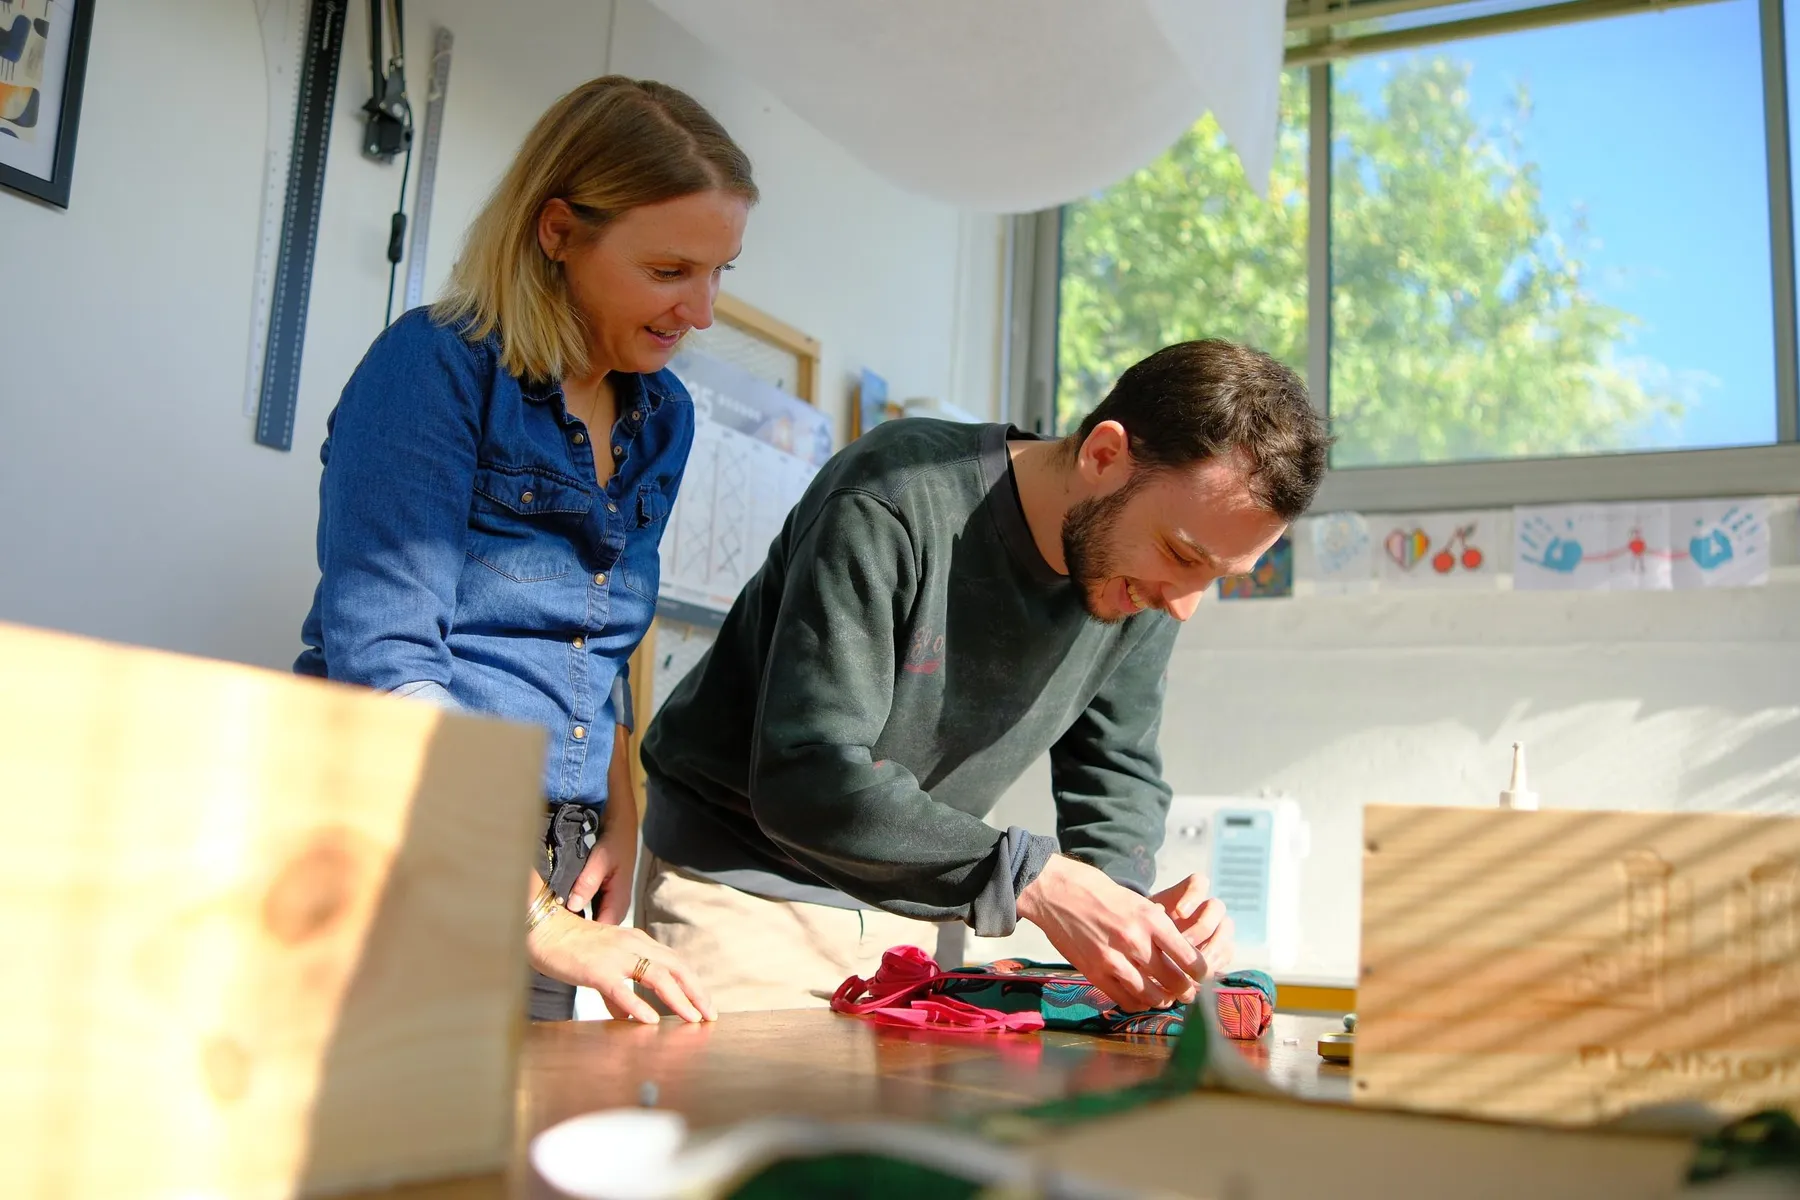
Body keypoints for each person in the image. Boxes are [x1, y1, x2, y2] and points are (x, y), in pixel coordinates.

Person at [636, 341, 1331, 1012]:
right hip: (745, 899)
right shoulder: (896, 496)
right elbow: (806, 776)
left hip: (918, 921)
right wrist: (1034, 877)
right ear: (1104, 455)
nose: (1184, 604)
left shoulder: (1141, 584)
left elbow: (1116, 770)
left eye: (1217, 576)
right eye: (1182, 555)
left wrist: (1124, 908)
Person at [295, 75, 756, 1023]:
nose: (701, 311)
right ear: (557, 231)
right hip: (404, 823)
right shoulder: (433, 367)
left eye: (721, 273)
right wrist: (537, 916)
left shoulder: (662, 414)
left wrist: (620, 798)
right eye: (671, 271)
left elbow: (607, 631)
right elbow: (386, 666)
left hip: (559, 839)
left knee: (500, 1153)